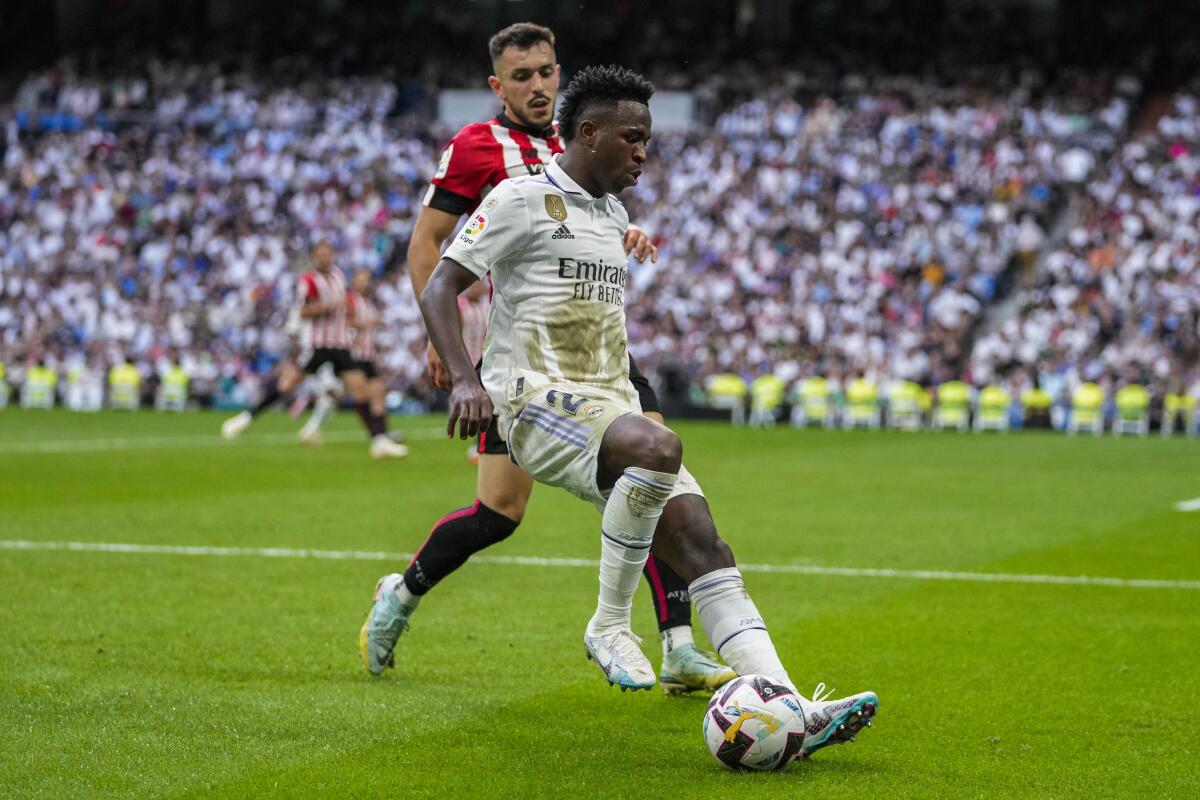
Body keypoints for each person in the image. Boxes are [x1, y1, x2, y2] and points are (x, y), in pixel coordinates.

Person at [413, 65, 878, 759]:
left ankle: (792, 708)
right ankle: (608, 624)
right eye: (632, 138)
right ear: (589, 134)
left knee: (702, 542)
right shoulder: (520, 198)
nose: (642, 152)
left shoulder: (613, 214)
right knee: (659, 450)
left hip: (608, 402)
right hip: (533, 402)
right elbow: (441, 285)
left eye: (647, 140)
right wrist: (461, 379)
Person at [360, 22, 733, 694]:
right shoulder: (477, 148)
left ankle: (678, 643)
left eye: (547, 71)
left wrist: (629, 229)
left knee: (654, 466)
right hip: (525, 363)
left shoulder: (584, 138)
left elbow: (590, 210)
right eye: (522, 75)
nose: (538, 85)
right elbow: (430, 243)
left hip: (597, 353)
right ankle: (402, 592)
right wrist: (438, 340)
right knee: (499, 514)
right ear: (496, 85)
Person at [221, 242, 408, 459]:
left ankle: (378, 440)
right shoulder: (308, 281)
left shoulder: (338, 275)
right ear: (313, 258)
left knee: (360, 389)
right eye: (319, 255)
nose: (324, 259)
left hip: (339, 345)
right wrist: (329, 306)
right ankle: (245, 418)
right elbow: (303, 311)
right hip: (318, 344)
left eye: (327, 254)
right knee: (287, 385)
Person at [297, 268, 409, 456]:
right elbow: (344, 325)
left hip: (367, 356)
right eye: (361, 279)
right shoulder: (349, 301)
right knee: (361, 394)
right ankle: (379, 437)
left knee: (370, 392)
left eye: (367, 279)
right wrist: (367, 323)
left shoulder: (367, 302)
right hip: (353, 356)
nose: (365, 283)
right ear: (354, 281)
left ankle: (381, 435)